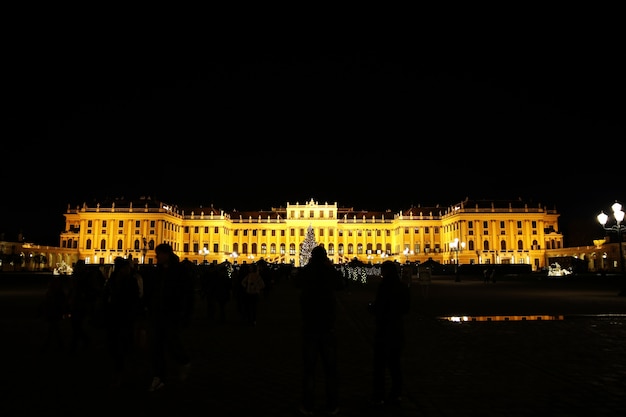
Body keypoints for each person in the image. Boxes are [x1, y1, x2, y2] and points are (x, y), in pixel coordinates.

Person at [297, 245, 345, 416]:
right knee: (331, 368)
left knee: (309, 369)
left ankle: (308, 404)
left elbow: (296, 282)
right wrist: (330, 267)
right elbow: (341, 284)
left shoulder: (306, 272)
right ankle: (332, 404)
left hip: (309, 323)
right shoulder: (329, 272)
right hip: (327, 323)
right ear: (325, 257)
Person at [143, 243, 195, 392]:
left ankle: (184, 361)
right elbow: (152, 291)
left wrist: (186, 314)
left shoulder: (179, 271)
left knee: (172, 343)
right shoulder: (157, 271)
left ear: (166, 254)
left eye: (158, 254)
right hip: (158, 314)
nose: (156, 257)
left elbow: (188, 294)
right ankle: (159, 377)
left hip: (173, 314)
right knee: (156, 347)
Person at [368, 260, 411, 406]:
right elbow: (406, 308)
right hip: (397, 329)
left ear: (385, 272)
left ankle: (379, 395)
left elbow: (379, 306)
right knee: (395, 365)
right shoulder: (402, 287)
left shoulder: (384, 286)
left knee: (379, 366)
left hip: (383, 329)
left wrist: (372, 309)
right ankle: (396, 393)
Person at [102, 257, 141, 387]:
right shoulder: (120, 281)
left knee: (120, 344)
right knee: (118, 344)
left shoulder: (117, 281)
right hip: (119, 317)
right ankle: (122, 369)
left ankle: (121, 370)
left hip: (121, 317)